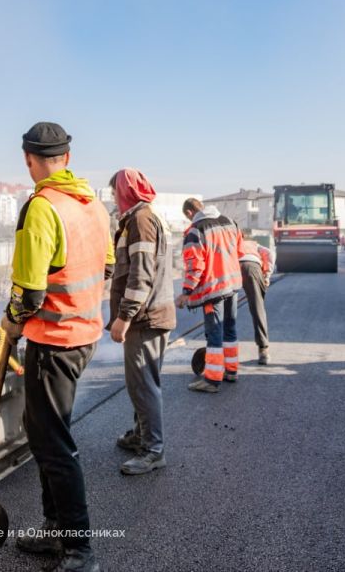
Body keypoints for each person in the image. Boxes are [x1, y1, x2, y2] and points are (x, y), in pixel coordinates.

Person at [2, 122, 113, 572]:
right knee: (47, 433)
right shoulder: (92, 206)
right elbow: (105, 269)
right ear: (66, 158)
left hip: (53, 344)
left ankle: (79, 550)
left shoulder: (42, 207)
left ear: (29, 160)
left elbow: (28, 293)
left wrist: (10, 325)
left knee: (55, 446)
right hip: (83, 337)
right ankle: (54, 532)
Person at [107, 169, 176, 476]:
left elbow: (140, 276)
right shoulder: (146, 217)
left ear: (124, 192)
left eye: (113, 193)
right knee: (143, 383)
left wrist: (124, 317)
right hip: (151, 315)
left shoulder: (140, 220)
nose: (113, 199)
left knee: (143, 386)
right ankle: (141, 435)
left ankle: (153, 450)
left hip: (144, 318)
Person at [177, 198, 245, 393]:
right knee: (229, 329)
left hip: (213, 289)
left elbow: (195, 266)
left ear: (190, 213)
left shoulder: (196, 230)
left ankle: (212, 380)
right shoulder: (230, 222)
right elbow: (239, 251)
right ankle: (231, 371)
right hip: (232, 284)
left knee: (214, 333)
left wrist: (186, 293)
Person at [239, 239, 272, 365]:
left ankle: (220, 351)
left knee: (225, 309)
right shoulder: (254, 245)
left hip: (231, 267)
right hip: (251, 267)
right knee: (257, 308)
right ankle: (263, 351)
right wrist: (267, 275)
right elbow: (269, 253)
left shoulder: (231, 241)